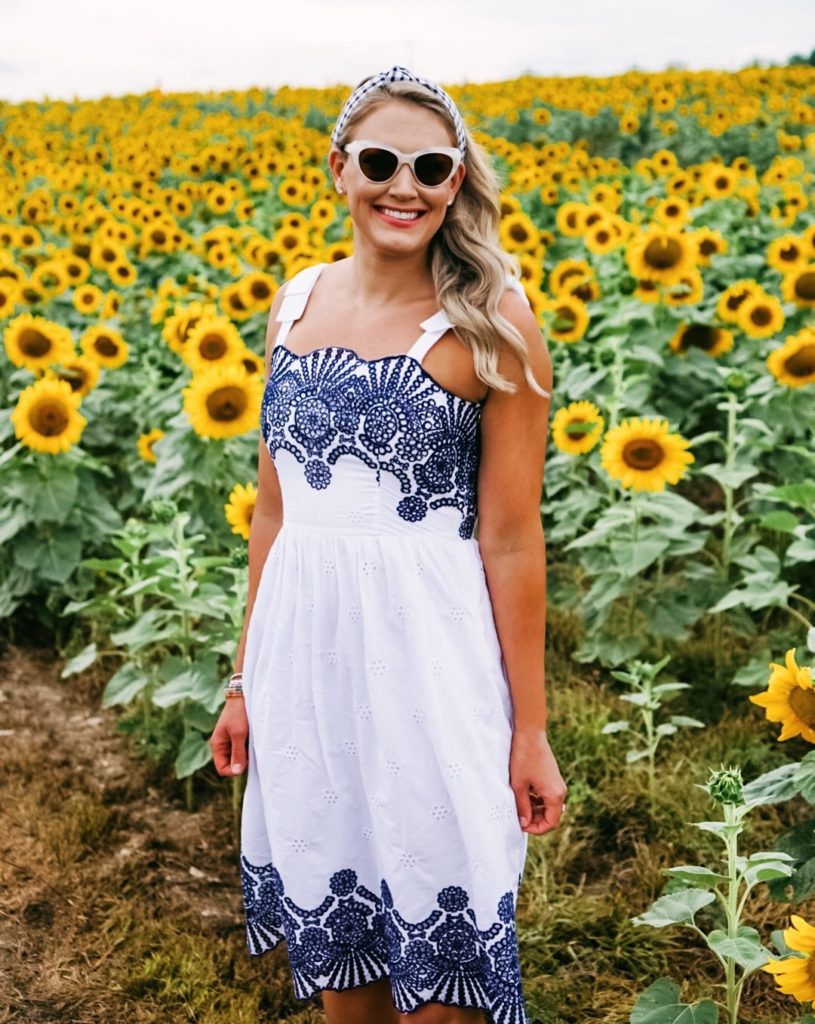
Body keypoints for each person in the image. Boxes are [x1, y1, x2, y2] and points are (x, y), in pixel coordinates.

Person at [209, 65, 567, 1024]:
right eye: (379, 161)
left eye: (428, 166)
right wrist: (243, 682)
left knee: (440, 973)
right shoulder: (293, 303)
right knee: (346, 968)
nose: (401, 185)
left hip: (429, 670)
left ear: (456, 181)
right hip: (305, 670)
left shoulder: (493, 324)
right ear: (339, 169)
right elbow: (275, 515)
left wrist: (528, 733)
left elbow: (510, 541)